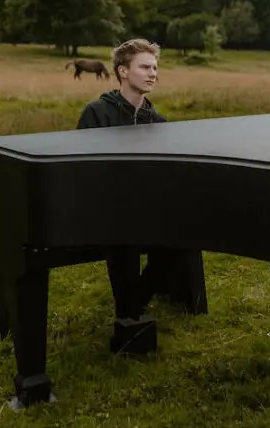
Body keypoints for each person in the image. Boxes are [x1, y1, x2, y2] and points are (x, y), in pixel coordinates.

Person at [77, 38, 208, 354]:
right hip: (104, 212)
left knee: (184, 236)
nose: (153, 74)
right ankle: (130, 315)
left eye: (155, 68)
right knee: (123, 237)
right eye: (145, 67)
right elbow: (80, 171)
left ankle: (134, 302)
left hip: (146, 212)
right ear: (123, 71)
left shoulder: (158, 121)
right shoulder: (97, 113)